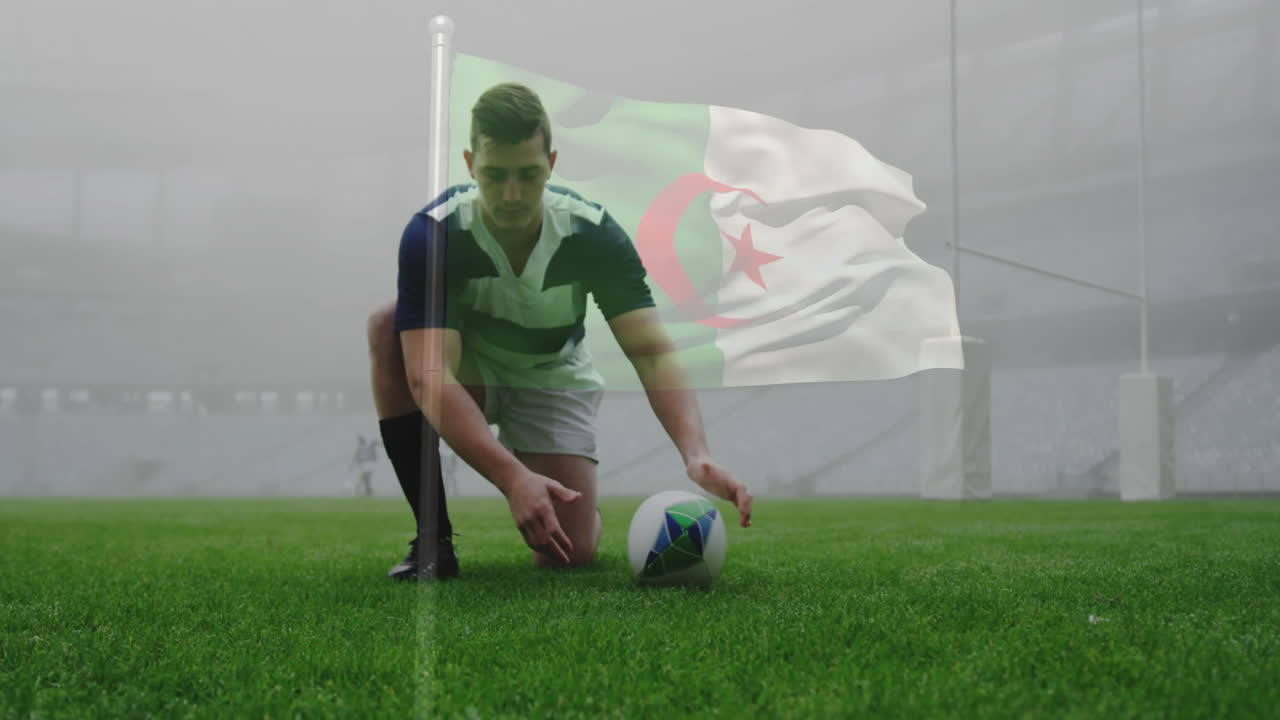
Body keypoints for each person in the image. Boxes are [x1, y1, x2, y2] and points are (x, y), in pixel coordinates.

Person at [366, 82, 753, 581]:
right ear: (469, 164)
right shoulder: (435, 233)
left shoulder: (592, 233)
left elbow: (651, 353)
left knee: (569, 556)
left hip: (551, 374)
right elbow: (429, 378)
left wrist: (695, 455)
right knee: (386, 328)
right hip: (471, 368)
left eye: (528, 175)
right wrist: (513, 478)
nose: (511, 194)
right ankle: (433, 542)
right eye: (494, 175)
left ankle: (580, 506)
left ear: (550, 162)